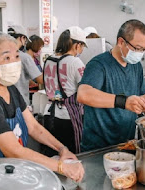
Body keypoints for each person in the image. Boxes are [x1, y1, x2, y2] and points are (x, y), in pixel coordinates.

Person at [0, 33, 84, 182]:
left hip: (13, 173)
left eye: (16, 56)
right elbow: (13, 150)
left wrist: (62, 149)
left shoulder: (11, 89)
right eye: (6, 58)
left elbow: (33, 127)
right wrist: (61, 167)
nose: (14, 62)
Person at [78, 19, 145, 151]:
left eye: (144, 49)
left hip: (127, 143)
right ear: (121, 42)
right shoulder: (99, 64)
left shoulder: (136, 66)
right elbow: (83, 94)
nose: (140, 53)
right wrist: (123, 101)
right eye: (137, 48)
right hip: (98, 147)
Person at [43, 26, 86, 154]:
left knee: (53, 154)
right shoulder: (75, 62)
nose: (82, 50)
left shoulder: (49, 60)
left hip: (49, 114)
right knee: (71, 155)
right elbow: (85, 89)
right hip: (68, 117)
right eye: (82, 46)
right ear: (76, 45)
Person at [8, 25, 43, 106]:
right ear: (21, 38)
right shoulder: (25, 58)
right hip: (21, 103)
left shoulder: (0, 56)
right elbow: (40, 80)